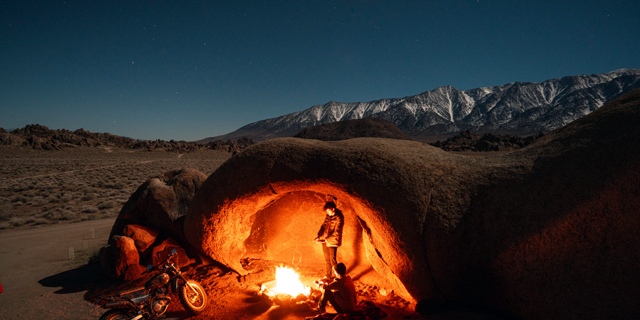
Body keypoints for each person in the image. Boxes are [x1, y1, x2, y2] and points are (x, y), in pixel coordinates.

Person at [314, 199, 344, 279]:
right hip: (325, 240)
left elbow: (337, 232)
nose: (327, 212)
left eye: (328, 210)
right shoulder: (328, 216)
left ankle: (338, 276)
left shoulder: (339, 217)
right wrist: (319, 236)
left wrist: (326, 240)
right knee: (327, 259)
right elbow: (323, 226)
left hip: (333, 241)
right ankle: (328, 276)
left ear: (333, 209)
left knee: (332, 260)